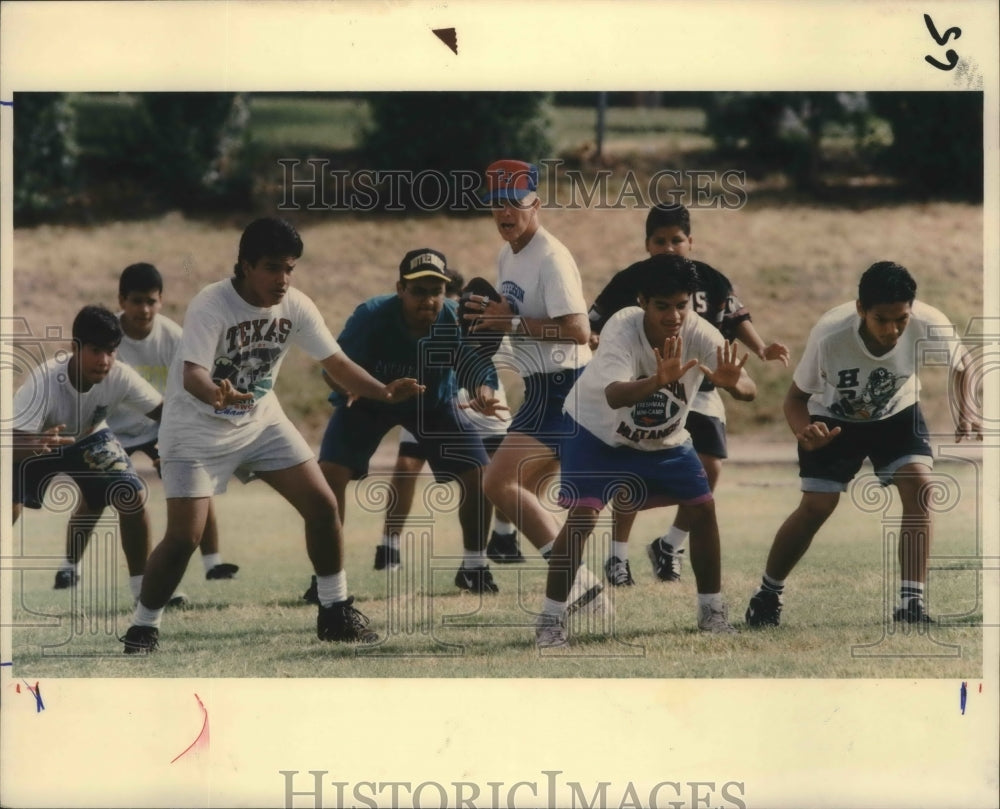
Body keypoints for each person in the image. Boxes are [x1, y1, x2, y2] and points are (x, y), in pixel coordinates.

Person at [120, 217, 422, 653]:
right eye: (271, 267)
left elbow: (335, 362)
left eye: (289, 268)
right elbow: (192, 376)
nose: (282, 279)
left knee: (321, 505)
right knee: (185, 537)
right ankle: (143, 626)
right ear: (244, 265)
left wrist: (382, 390)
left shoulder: (295, 305)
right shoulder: (212, 302)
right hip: (194, 431)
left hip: (260, 422)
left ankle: (334, 611)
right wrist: (217, 396)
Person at [744, 261, 981, 628]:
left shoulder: (927, 322)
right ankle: (767, 594)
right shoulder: (830, 334)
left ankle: (910, 605)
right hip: (835, 420)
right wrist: (805, 432)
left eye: (900, 319)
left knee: (921, 488)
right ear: (861, 309)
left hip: (896, 414)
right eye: (882, 319)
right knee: (817, 506)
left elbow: (963, 364)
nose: (892, 329)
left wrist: (966, 410)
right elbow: (794, 399)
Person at [535, 255, 756, 647]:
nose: (674, 316)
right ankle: (550, 624)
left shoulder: (700, 332)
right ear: (642, 301)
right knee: (584, 515)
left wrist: (732, 384)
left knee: (703, 507)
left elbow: (748, 388)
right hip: (596, 431)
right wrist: (657, 380)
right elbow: (615, 394)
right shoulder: (622, 326)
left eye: (681, 305)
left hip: (662, 440)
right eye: (662, 306)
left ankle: (712, 613)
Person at [587, 203, 789, 587]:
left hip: (701, 384)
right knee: (631, 469)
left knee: (710, 465)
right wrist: (594, 340)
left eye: (676, 240)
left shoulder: (709, 280)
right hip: (646, 385)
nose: (668, 247)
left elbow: (735, 319)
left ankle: (671, 544)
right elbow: (592, 322)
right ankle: (617, 556)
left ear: (690, 242)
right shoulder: (632, 282)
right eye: (659, 241)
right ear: (646, 244)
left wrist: (760, 351)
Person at [313, 249, 502, 595]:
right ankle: (327, 577)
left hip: (431, 404)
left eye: (436, 291)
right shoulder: (371, 315)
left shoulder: (452, 319)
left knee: (479, 472)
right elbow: (333, 368)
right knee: (330, 476)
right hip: (369, 400)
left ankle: (474, 567)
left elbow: (479, 370)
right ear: (400, 288)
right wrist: (353, 388)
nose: (428, 300)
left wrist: (484, 391)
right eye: (419, 291)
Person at [470, 159, 608, 616]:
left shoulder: (551, 256)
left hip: (567, 385)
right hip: (539, 387)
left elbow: (575, 330)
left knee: (498, 481)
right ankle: (579, 583)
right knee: (519, 491)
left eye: (514, 202)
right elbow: (509, 321)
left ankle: (582, 586)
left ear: (536, 203)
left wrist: (508, 321)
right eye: (496, 204)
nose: (504, 213)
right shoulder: (508, 254)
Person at [371, 267, 519, 572]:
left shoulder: (477, 318)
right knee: (407, 464)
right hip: (435, 399)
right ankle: (389, 547)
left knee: (498, 471)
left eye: (449, 298)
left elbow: (503, 352)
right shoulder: (423, 324)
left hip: (484, 400)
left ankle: (504, 538)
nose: (442, 306)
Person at [11, 305, 162, 602]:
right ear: (75, 347)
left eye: (111, 351)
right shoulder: (44, 382)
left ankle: (142, 590)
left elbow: (167, 413)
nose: (104, 361)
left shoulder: (121, 376)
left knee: (131, 496)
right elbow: (9, 445)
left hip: (88, 436)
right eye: (95, 350)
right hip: (33, 443)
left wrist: (173, 445)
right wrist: (35, 445)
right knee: (8, 508)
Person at [103, 262, 239, 581]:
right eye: (137, 301)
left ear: (161, 301)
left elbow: (190, 384)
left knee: (194, 479)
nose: (145, 309)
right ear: (122, 301)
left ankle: (213, 563)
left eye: (152, 301)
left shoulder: (172, 335)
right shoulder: (109, 336)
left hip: (159, 423)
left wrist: (178, 436)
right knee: (101, 494)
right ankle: (70, 569)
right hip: (111, 429)